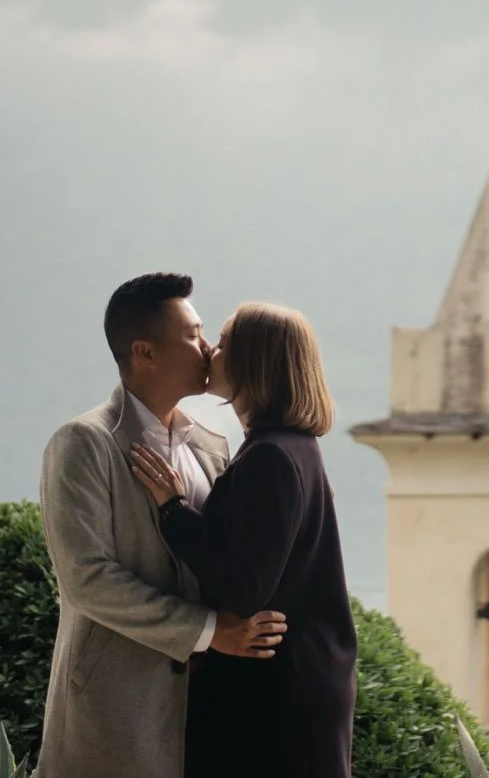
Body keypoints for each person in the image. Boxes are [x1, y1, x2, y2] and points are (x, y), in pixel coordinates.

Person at [34, 273, 287, 778]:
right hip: (113, 717)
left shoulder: (214, 446)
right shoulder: (84, 443)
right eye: (193, 334)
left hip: (208, 713)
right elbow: (87, 579)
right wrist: (210, 632)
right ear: (145, 352)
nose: (209, 346)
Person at [132, 300, 357, 778]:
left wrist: (173, 511)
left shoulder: (271, 457)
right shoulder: (292, 449)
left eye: (226, 341)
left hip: (274, 700)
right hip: (295, 687)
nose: (212, 349)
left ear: (254, 359)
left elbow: (243, 587)